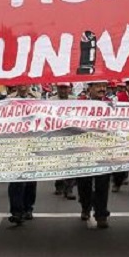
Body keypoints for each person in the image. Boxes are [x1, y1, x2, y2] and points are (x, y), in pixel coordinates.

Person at [77, 80, 113, 228]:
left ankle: (101, 214)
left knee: (102, 183)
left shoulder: (111, 104)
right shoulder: (79, 104)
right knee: (84, 183)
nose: (102, 89)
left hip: (104, 150)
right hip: (84, 150)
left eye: (104, 86)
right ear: (89, 88)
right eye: (98, 86)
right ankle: (85, 206)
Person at [48, 82, 77, 200]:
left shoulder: (75, 100)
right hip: (57, 135)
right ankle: (59, 184)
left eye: (65, 88)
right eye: (61, 88)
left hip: (71, 134)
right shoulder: (51, 100)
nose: (63, 90)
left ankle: (69, 188)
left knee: (71, 162)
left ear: (69, 89)